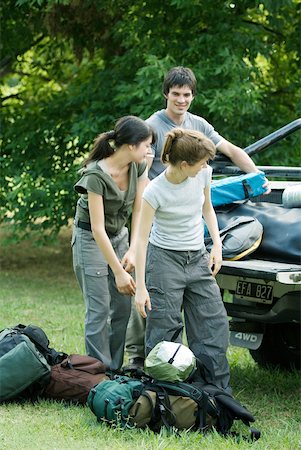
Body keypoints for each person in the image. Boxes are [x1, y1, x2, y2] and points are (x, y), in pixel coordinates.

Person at [126, 66, 270, 368]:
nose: (181, 99)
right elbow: (142, 185)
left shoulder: (198, 127)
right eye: (176, 94)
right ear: (166, 94)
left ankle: (201, 372)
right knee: (155, 304)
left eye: (186, 94)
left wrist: (257, 177)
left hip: (189, 227)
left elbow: (229, 150)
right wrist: (134, 245)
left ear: (192, 96)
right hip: (157, 219)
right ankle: (139, 359)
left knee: (201, 308)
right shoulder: (153, 127)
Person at [135, 128, 230, 390]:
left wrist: (217, 245)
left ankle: (215, 394)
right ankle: (165, 395)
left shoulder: (203, 176)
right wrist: (141, 287)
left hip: (197, 257)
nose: (205, 167)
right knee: (165, 330)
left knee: (213, 324)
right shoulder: (154, 191)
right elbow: (141, 241)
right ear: (185, 164)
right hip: (164, 260)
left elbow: (206, 208)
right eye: (201, 163)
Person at [72, 115, 155, 370]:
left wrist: (132, 248)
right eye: (147, 145)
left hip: (120, 236)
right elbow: (97, 229)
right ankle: (97, 374)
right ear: (131, 146)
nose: (150, 151)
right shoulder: (95, 175)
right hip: (90, 239)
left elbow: (140, 210)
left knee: (122, 309)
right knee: (99, 310)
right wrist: (118, 272)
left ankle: (114, 370)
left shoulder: (138, 167)